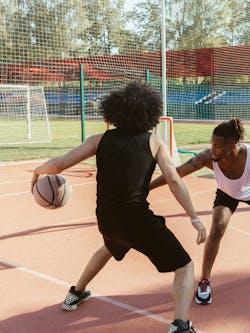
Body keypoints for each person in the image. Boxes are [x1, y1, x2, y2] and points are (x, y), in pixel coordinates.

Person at [31, 81, 206, 333]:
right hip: (136, 219)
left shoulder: (99, 140)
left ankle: (75, 293)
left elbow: (59, 165)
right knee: (184, 266)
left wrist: (38, 171)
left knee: (109, 247)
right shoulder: (155, 143)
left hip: (107, 218)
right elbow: (175, 181)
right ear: (150, 114)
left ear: (114, 112)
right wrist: (194, 218)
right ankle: (181, 325)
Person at [150, 117, 250, 306]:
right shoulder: (207, 158)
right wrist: (147, 188)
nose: (213, 149)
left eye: (217, 146)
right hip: (227, 193)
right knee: (217, 228)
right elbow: (176, 173)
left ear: (233, 145)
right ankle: (205, 280)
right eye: (212, 144)